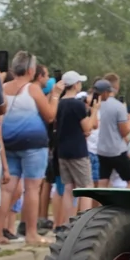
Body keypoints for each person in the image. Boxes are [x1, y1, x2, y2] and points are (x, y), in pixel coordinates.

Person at [0, 52, 62, 246]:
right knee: (32, 188)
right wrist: (56, 95)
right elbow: (50, 116)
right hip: (33, 145)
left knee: (6, 189)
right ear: (31, 70)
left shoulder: (3, 87)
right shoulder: (32, 89)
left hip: (8, 143)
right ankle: (31, 234)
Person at [53, 71, 99, 230]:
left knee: (68, 187)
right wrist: (94, 111)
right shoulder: (77, 104)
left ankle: (67, 222)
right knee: (86, 186)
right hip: (78, 150)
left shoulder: (58, 103)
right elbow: (88, 126)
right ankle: (83, 224)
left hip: (62, 150)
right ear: (76, 84)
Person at [95, 74, 130, 189]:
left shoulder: (96, 104)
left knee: (103, 182)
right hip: (117, 150)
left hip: (101, 150)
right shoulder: (118, 106)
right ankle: (124, 204)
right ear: (116, 86)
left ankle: (101, 205)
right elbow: (124, 132)